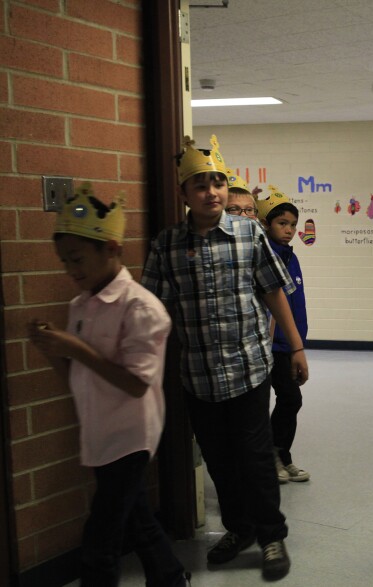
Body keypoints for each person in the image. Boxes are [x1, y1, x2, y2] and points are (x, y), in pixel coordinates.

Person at [140, 135, 309, 581]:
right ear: (184, 194)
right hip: (198, 376)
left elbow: (274, 290)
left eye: (217, 182)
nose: (211, 191)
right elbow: (152, 311)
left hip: (250, 368)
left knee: (255, 456)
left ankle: (272, 534)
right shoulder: (167, 245)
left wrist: (296, 346)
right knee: (217, 459)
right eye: (200, 184)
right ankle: (240, 529)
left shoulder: (249, 232)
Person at [27, 184, 189, 587]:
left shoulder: (142, 309)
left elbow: (135, 385)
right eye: (64, 262)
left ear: (112, 249)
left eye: (78, 259)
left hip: (129, 436)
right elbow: (76, 378)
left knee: (100, 539)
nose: (71, 271)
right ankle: (170, 577)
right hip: (99, 431)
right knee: (137, 519)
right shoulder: (80, 304)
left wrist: (74, 347)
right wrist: (52, 350)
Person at [256, 185, 310, 484]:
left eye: (292, 225)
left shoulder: (291, 256)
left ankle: (281, 454)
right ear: (266, 224)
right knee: (282, 399)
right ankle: (271, 457)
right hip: (269, 346)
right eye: (282, 224)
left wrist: (298, 345)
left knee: (291, 400)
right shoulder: (265, 255)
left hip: (290, 345)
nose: (289, 230)